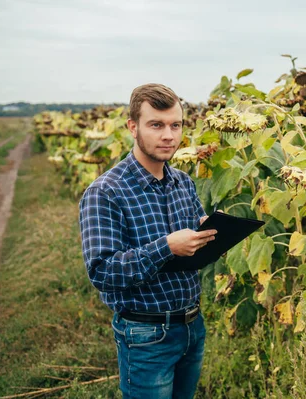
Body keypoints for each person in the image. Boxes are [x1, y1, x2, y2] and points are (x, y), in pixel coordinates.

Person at [79, 83, 217, 398]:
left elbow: (192, 251)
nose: (168, 135)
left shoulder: (183, 183)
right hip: (145, 333)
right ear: (133, 127)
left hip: (192, 326)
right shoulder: (106, 192)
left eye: (175, 125)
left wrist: (209, 233)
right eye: (156, 125)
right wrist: (166, 246)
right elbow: (102, 271)